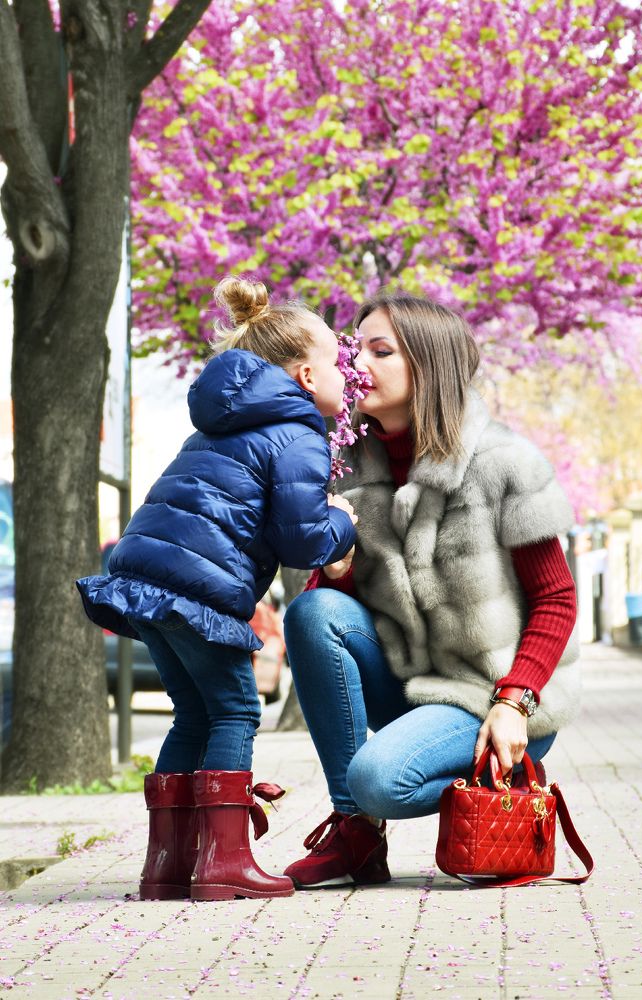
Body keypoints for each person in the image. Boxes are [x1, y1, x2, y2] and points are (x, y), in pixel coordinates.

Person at [282, 292, 578, 889]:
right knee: (313, 610)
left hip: (495, 699)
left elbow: (557, 600)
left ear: (429, 365)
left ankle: (507, 776)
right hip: (410, 685)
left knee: (378, 780)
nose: (354, 362)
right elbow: (336, 621)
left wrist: (513, 700)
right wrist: (335, 571)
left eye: (380, 350)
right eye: (353, 347)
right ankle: (356, 834)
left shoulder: (504, 462)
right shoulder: (346, 467)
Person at [77, 277, 357, 901]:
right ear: (306, 376)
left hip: (145, 581)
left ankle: (168, 867)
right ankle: (224, 864)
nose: (347, 378)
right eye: (338, 365)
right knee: (235, 710)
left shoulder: (219, 424)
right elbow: (302, 541)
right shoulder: (299, 433)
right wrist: (343, 520)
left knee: (194, 714)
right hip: (198, 591)